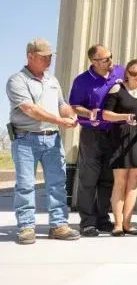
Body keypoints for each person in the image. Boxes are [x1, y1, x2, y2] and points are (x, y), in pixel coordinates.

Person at [6, 38, 80, 244]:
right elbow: (30, 109)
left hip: (52, 140)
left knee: (57, 184)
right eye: (44, 57)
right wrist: (59, 120)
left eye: (50, 56)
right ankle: (27, 227)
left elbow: (62, 104)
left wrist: (70, 115)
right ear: (30, 56)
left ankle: (58, 225)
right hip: (25, 140)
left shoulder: (52, 80)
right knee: (25, 185)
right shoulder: (17, 80)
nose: (49, 60)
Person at [69, 44, 125, 237]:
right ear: (93, 61)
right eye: (105, 59)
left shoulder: (119, 71)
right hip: (92, 135)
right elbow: (75, 105)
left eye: (110, 57)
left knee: (108, 179)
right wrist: (88, 113)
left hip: (115, 133)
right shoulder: (82, 81)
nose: (111, 62)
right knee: (88, 179)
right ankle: (87, 222)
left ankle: (103, 219)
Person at [101, 59, 137, 236]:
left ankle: (127, 224)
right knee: (120, 182)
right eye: (133, 73)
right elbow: (106, 115)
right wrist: (124, 117)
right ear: (127, 73)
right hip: (119, 139)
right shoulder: (117, 89)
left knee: (133, 184)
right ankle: (117, 224)